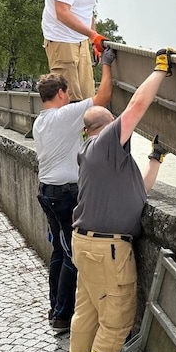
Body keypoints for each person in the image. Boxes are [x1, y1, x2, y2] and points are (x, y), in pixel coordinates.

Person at [68, 47, 176, 352]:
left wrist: (155, 159)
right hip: (108, 251)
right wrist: (160, 69)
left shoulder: (98, 159)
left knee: (86, 315)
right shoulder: (104, 146)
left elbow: (137, 192)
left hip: (87, 245)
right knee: (115, 321)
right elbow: (137, 106)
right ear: (111, 125)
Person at [33, 47, 115, 335]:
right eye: (67, 94)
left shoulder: (40, 121)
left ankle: (55, 305)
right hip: (64, 195)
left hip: (48, 191)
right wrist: (106, 66)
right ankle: (62, 315)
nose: (69, 97)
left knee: (59, 250)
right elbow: (102, 99)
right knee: (72, 255)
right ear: (61, 94)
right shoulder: (64, 115)